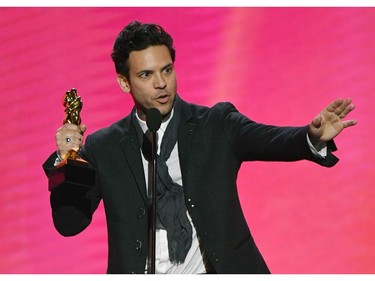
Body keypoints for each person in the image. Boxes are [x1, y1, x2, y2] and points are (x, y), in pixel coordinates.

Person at [43, 21, 357, 274]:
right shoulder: (105, 146)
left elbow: (271, 140)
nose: (161, 84)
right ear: (124, 83)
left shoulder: (215, 124)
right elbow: (69, 223)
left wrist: (311, 137)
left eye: (166, 70)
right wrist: (65, 161)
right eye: (146, 75)